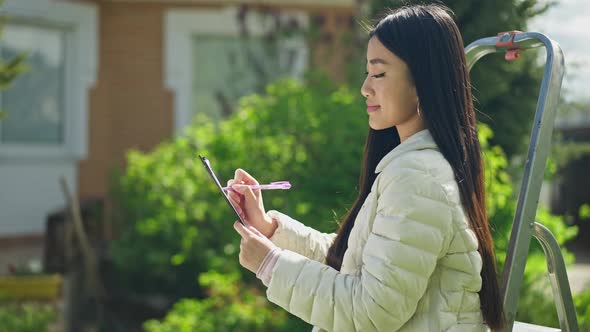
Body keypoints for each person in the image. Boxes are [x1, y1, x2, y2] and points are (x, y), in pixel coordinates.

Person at [227, 4, 505, 331]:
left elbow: (373, 312)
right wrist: (270, 230)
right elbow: (354, 264)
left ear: (422, 81)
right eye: (367, 72)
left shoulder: (418, 178)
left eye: (379, 73)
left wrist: (271, 264)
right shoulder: (414, 167)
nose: (365, 88)